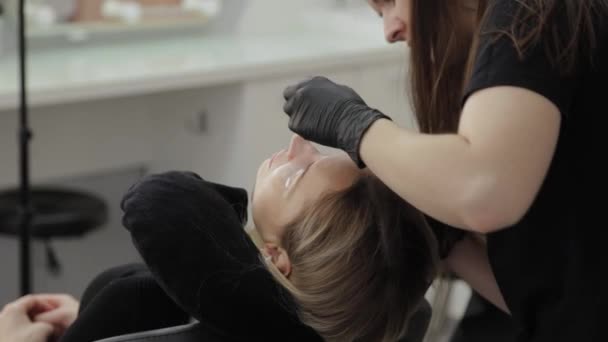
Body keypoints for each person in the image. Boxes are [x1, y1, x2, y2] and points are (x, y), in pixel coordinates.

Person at [281, 0, 607, 341]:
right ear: (276, 257)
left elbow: (484, 188)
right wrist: (449, 239)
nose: (390, 31)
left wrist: (354, 125)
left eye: (389, 3)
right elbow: (555, 298)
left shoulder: (528, 11)